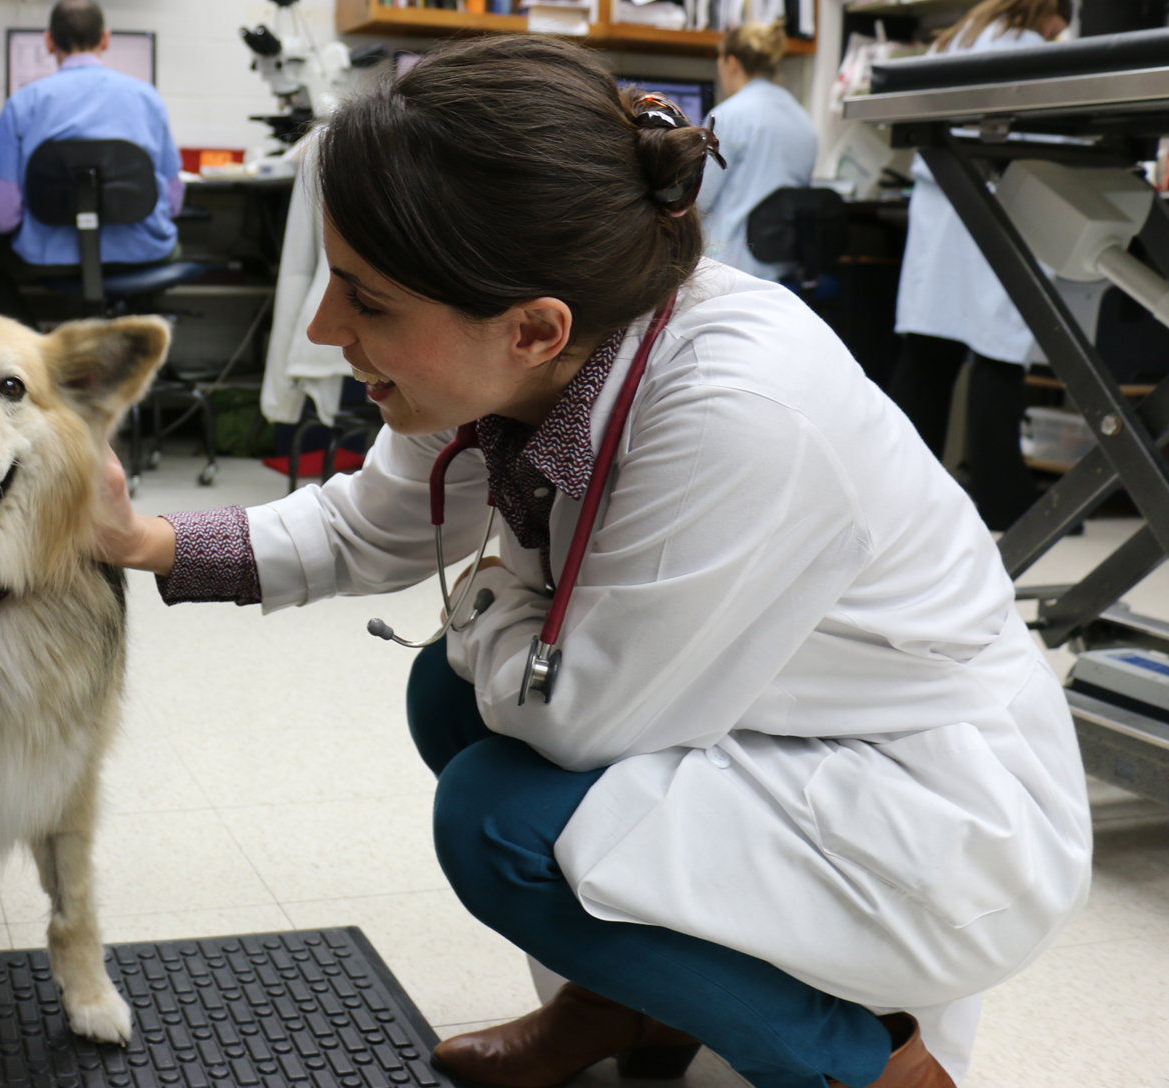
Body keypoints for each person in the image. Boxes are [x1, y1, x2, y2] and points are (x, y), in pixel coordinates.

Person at [93, 36, 1089, 1088]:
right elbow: (368, 528)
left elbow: (580, 717)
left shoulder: (739, 412)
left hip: (926, 800)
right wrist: (141, 540)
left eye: (366, 299)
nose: (324, 325)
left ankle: (876, 1062)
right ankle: (634, 1003)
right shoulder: (514, 344)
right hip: (763, 720)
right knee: (453, 696)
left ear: (533, 328)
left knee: (496, 817)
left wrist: (486, 597)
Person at [888, 0, 1074, 530]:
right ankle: (1000, 495)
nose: (1064, 30)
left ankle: (897, 491)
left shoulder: (956, 41)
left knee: (927, 355)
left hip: (943, 204)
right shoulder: (1040, 55)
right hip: (1001, 206)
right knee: (997, 355)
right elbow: (1061, 138)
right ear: (1049, 12)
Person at [0, 0, 184, 323]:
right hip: (140, 251)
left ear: (49, 41)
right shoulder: (147, 98)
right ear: (105, 39)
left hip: (48, 256)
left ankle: (31, 348)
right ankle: (132, 343)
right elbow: (173, 202)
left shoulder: (24, 103)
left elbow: (2, 217)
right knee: (174, 246)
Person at [695, 21, 818, 282]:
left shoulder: (727, 116)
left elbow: (696, 199)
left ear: (731, 63)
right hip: (782, 272)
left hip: (728, 268)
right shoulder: (804, 121)